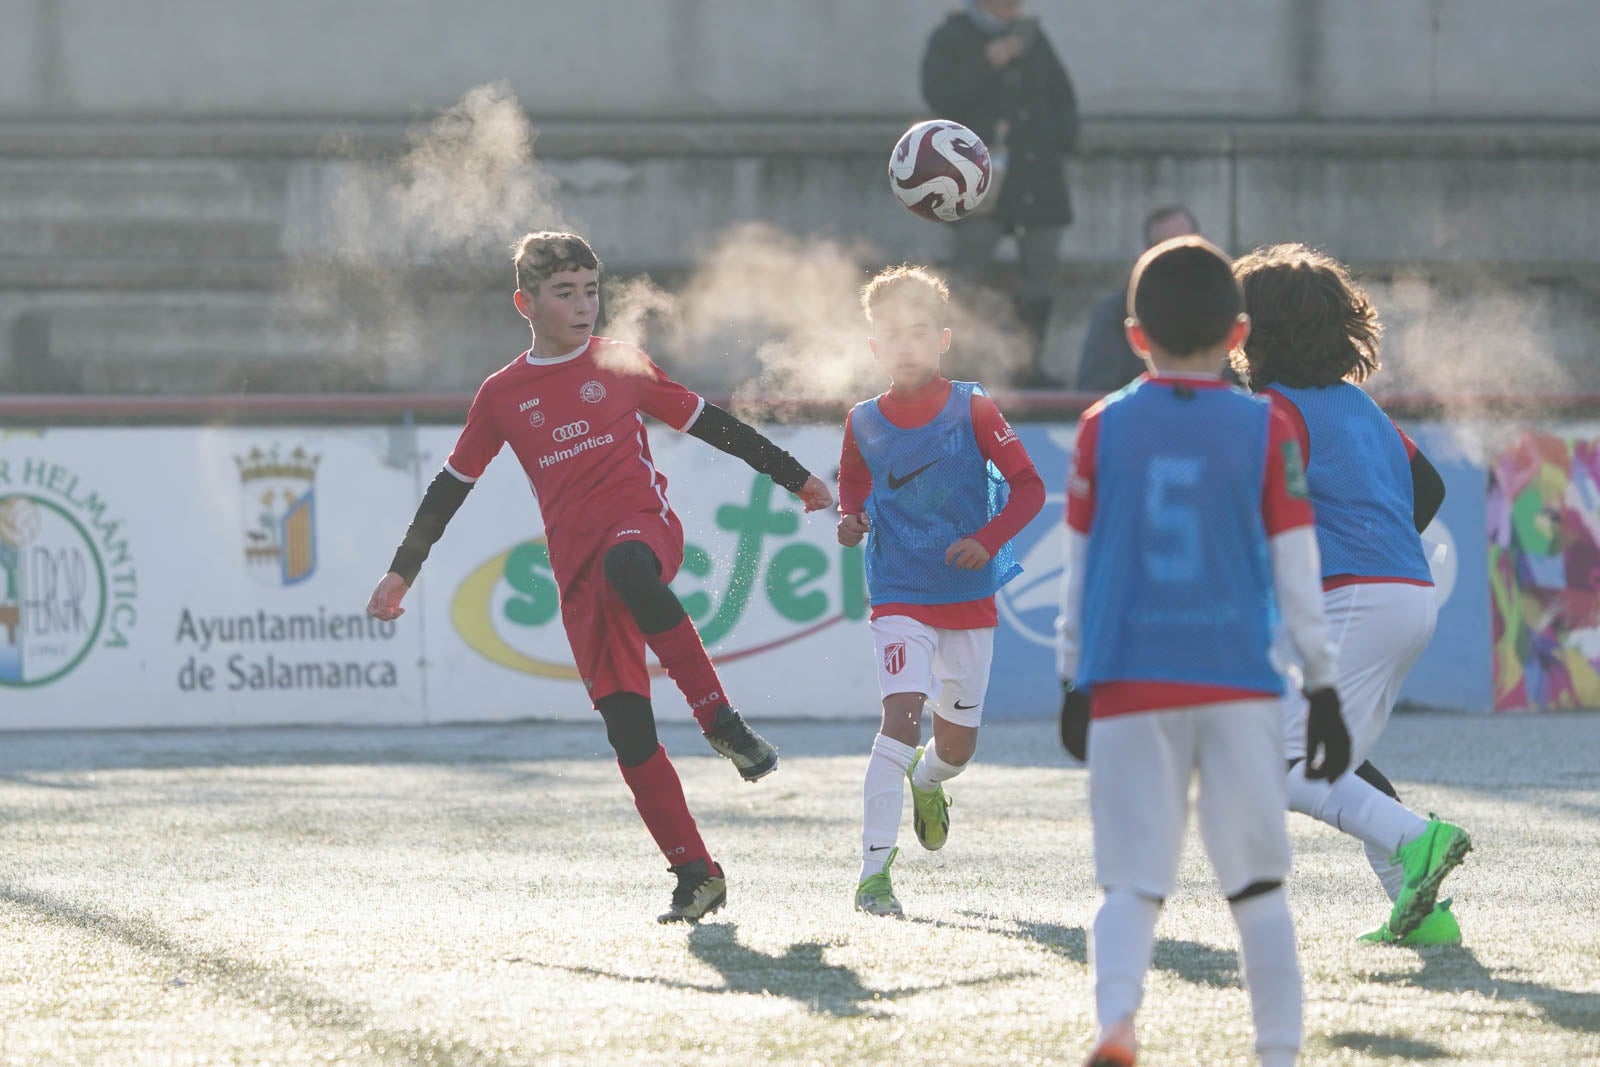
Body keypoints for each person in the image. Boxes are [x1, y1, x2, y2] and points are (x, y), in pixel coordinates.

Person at [366, 231, 834, 924]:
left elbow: (712, 425)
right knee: (629, 730)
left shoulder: (619, 363)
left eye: (592, 291)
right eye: (566, 294)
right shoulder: (501, 395)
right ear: (526, 303)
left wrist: (795, 477)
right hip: (577, 576)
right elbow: (450, 487)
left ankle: (722, 720)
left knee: (628, 566)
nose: (585, 306)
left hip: (642, 531)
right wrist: (401, 573)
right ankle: (695, 873)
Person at [1056, 237, 1351, 1067]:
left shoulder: (1099, 427)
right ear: (1239, 334)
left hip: (1126, 679)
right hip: (1238, 679)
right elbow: (1298, 567)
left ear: (1135, 335)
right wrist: (1322, 684)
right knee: (1257, 888)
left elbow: (1078, 566)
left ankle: (1117, 1022)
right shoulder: (1264, 428)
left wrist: (1071, 676)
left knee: (1130, 883)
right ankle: (1278, 1051)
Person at [1232, 243, 1471, 946]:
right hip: (1406, 596)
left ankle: (1417, 837)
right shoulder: (1359, 406)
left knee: (1273, 763)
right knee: (1338, 760)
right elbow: (1428, 488)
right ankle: (1422, 912)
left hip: (1357, 600)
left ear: (1252, 333)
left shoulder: (1273, 410)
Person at [836, 265, 1044, 916]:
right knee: (897, 717)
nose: (905, 345)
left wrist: (987, 537)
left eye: (919, 331)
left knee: (955, 748)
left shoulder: (973, 406)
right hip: (898, 588)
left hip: (968, 596)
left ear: (944, 339)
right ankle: (874, 876)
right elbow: (852, 485)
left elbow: (1030, 488)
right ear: (874, 347)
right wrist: (851, 518)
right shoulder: (863, 420)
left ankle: (930, 782)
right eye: (891, 334)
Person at [921, 0, 1079, 385]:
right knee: (966, 275)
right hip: (978, 181)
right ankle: (953, 366)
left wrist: (1060, 137)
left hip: (1036, 179)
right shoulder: (952, 36)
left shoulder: (1032, 37)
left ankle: (1029, 365)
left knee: (1040, 273)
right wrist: (986, 63)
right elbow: (939, 96)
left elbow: (1062, 97)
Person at [1075, 206, 1201, 393]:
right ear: (1147, 254)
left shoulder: (1221, 308)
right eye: (1164, 247)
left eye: (1185, 246)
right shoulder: (1116, 312)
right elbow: (1096, 389)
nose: (1177, 258)